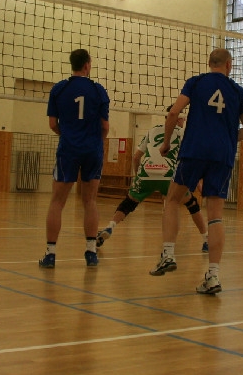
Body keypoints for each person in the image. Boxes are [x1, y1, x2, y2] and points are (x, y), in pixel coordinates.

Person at [151, 48, 243, 294]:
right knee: (215, 215)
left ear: (210, 63)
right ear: (229, 65)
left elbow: (174, 112)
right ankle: (213, 276)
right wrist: (226, 139)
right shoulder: (238, 91)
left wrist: (166, 143)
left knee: (173, 199)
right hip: (222, 156)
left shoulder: (196, 82)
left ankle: (168, 254)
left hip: (194, 150)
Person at [98, 107, 209, 251]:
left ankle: (110, 226)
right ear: (179, 118)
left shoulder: (152, 130)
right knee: (191, 204)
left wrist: (138, 176)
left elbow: (136, 157)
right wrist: (198, 182)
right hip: (169, 175)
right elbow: (190, 160)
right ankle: (205, 239)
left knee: (129, 202)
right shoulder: (182, 133)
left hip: (146, 172)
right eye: (183, 118)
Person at [38, 49, 110, 268]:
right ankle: (91, 253)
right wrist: (95, 142)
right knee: (90, 201)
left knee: (57, 201)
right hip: (92, 150)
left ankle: (51, 255)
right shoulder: (98, 90)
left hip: (68, 149)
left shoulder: (59, 89)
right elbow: (105, 127)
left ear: (73, 65)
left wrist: (69, 135)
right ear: (87, 65)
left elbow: (52, 124)